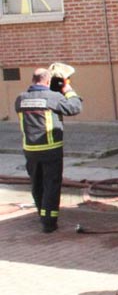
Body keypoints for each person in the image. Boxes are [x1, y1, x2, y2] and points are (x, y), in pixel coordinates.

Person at [14, 67, 83, 233]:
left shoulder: (20, 99)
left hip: (30, 150)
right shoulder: (53, 97)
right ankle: (49, 223)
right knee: (51, 185)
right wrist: (67, 88)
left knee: (37, 184)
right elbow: (75, 107)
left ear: (33, 79)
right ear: (47, 81)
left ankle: (42, 214)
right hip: (50, 150)